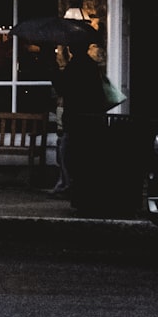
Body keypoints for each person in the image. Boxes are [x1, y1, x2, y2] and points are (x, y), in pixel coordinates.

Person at [51, 42, 106, 209]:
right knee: (80, 153)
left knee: (67, 153)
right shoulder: (91, 66)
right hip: (90, 117)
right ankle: (72, 186)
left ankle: (69, 186)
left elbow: (63, 89)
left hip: (76, 118)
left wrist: (55, 73)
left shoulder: (74, 66)